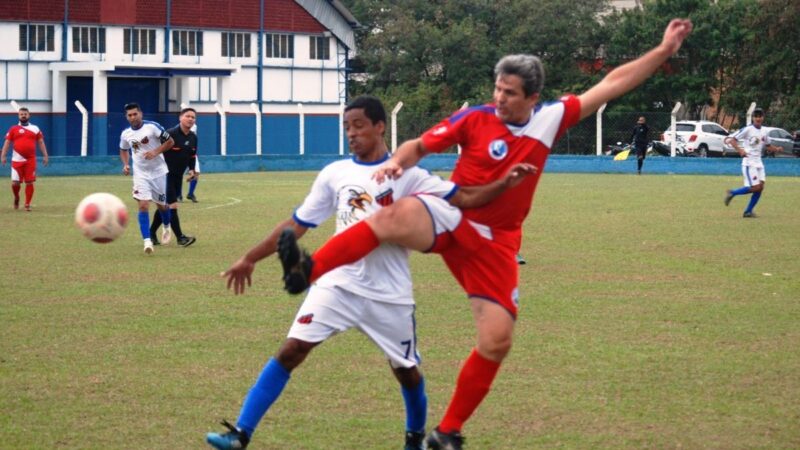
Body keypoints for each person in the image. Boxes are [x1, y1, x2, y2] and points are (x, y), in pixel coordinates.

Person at [276, 19, 693, 449]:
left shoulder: (551, 118)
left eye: (509, 93)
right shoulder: (474, 118)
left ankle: (448, 431)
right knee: (390, 218)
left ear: (532, 97)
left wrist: (663, 51)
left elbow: (612, 82)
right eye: (497, 88)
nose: (499, 98)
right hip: (451, 215)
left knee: (496, 340)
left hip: (496, 243)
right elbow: (418, 146)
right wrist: (399, 162)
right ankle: (308, 270)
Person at [206, 95, 535, 450]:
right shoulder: (335, 174)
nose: (351, 133)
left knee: (406, 372)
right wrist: (250, 258)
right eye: (347, 127)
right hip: (336, 284)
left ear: (380, 126)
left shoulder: (409, 174)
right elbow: (298, 225)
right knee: (291, 350)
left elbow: (464, 198)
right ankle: (241, 433)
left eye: (359, 125)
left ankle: (414, 439)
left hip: (389, 293)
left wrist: (504, 184)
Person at [118, 102, 175, 254]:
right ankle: (147, 241)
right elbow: (123, 150)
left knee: (162, 205)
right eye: (129, 115)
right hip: (140, 174)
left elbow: (170, 142)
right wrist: (125, 164)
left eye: (135, 114)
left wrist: (156, 152)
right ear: (126, 117)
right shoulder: (126, 134)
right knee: (143, 205)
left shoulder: (152, 127)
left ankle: (167, 226)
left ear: (141, 114)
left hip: (158, 172)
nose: (133, 117)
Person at [149, 108, 197, 247]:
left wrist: (192, 170)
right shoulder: (170, 134)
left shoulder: (193, 137)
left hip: (177, 176)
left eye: (193, 117)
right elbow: (156, 149)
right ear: (180, 118)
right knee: (172, 205)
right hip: (164, 175)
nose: (190, 119)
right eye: (187, 116)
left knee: (164, 206)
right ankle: (180, 238)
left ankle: (151, 232)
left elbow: (192, 155)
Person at [723, 108, 781, 218]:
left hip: (759, 162)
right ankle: (733, 193)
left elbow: (768, 145)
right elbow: (732, 140)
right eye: (756, 116)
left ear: (763, 117)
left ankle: (748, 212)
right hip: (749, 163)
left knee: (761, 187)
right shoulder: (748, 129)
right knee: (756, 187)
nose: (758, 118)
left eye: (760, 116)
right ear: (753, 118)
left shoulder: (765, 131)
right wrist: (740, 150)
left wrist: (777, 149)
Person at [1, 107, 49, 211]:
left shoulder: (35, 128)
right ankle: (17, 197)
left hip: (30, 160)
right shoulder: (13, 129)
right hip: (16, 160)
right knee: (15, 183)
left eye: (25, 114)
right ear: (18, 116)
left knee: (29, 182)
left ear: (29, 115)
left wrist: (45, 155)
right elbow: (7, 143)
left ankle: (27, 204)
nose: (23, 115)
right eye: (21, 114)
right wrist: (3, 156)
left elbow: (41, 142)